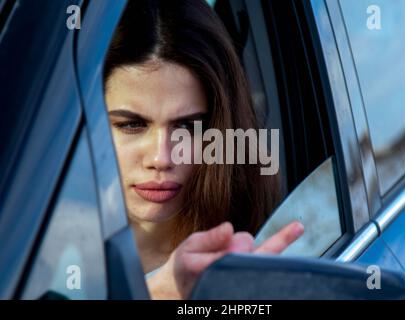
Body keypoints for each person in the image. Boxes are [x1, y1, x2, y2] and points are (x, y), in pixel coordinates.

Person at [103, 0, 304, 299]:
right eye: (132, 125)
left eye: (188, 127)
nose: (162, 157)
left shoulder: (256, 253)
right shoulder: (32, 230)